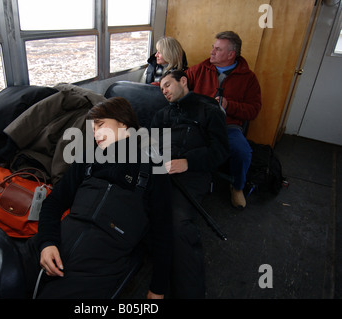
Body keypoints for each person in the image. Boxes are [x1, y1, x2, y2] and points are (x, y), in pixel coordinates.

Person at [29, 97, 173, 299]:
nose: (95, 133)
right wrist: (47, 243)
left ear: (123, 123)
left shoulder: (152, 170)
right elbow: (53, 203)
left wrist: (158, 288)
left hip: (97, 265)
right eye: (93, 129)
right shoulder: (87, 159)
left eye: (100, 125)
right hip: (55, 244)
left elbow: (163, 231)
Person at [150, 70, 229, 298]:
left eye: (167, 85)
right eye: (161, 88)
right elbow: (150, 148)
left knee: (177, 223)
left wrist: (188, 162)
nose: (163, 90)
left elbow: (221, 151)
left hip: (191, 173)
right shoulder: (160, 115)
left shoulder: (209, 111)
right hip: (160, 172)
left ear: (183, 81)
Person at [185, 31, 262, 209]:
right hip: (198, 123)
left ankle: (237, 187)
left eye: (218, 49)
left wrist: (230, 105)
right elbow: (179, 82)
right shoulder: (200, 69)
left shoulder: (249, 79)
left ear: (231, 54)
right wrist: (157, 87)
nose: (211, 52)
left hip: (229, 127)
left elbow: (254, 110)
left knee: (243, 152)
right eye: (213, 47)